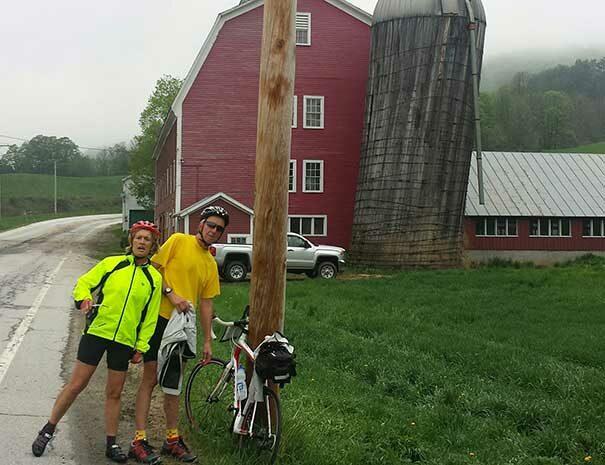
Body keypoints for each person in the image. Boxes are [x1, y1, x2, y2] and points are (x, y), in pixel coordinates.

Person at [32, 221, 163, 463]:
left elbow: (150, 318)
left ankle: (111, 444)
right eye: (139, 238)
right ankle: (47, 430)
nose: (142, 242)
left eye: (147, 239)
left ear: (153, 245)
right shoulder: (112, 263)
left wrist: (141, 347)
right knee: (76, 384)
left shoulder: (154, 278)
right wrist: (83, 298)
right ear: (131, 240)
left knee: (114, 393)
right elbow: (84, 283)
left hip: (123, 341)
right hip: (97, 333)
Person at [129, 206, 229, 464]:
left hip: (182, 328)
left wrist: (207, 339)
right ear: (201, 223)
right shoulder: (178, 241)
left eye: (219, 228)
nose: (214, 230)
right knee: (150, 380)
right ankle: (138, 440)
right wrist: (171, 294)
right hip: (157, 320)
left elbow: (206, 304)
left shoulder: (210, 263)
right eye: (211, 225)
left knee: (173, 382)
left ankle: (172, 440)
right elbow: (153, 268)